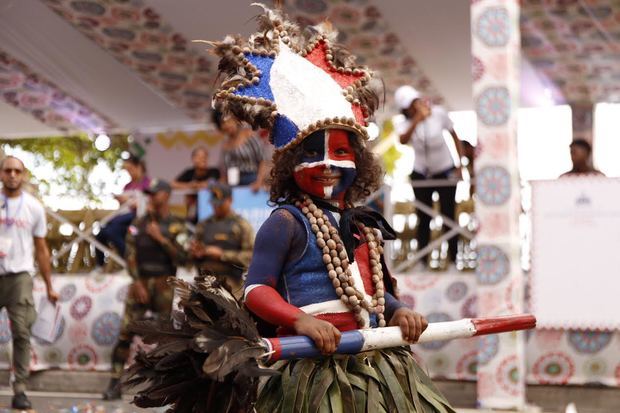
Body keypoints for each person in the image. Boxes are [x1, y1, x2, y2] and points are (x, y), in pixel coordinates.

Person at [123, 6, 455, 411]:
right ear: (288, 163)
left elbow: (374, 293)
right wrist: (300, 320)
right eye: (312, 153)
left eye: (340, 152)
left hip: (376, 365)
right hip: (311, 375)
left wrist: (402, 312)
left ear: (359, 161)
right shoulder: (285, 222)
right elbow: (256, 289)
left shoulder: (366, 224)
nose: (328, 165)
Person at [102, 179, 189, 400]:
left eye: (156, 193)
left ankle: (161, 384)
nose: (152, 197)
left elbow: (184, 258)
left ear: (167, 195)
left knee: (164, 336)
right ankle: (114, 382)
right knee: (125, 332)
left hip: (163, 284)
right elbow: (130, 256)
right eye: (150, 193)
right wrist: (137, 282)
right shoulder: (137, 224)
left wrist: (161, 238)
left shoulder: (177, 226)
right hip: (140, 283)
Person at [0, 156, 59, 410]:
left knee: (21, 333)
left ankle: (20, 389)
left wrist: (49, 285)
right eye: (8, 170)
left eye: (17, 171)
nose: (13, 174)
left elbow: (42, 248)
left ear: (23, 175)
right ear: (1, 174)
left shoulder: (34, 207)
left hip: (20, 276)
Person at [394, 85, 465, 266]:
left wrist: (460, 164)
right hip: (421, 172)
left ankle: (453, 260)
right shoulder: (403, 123)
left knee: (448, 215)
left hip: (445, 169)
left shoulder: (439, 114)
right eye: (410, 105)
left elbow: (454, 135)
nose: (415, 106)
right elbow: (403, 140)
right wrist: (417, 119)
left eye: (416, 101)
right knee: (423, 216)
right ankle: (422, 261)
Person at [189, 182, 254, 300]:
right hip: (205, 285)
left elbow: (251, 256)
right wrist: (196, 253)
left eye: (220, 204)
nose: (216, 207)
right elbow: (192, 253)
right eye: (214, 204)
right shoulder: (203, 225)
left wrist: (222, 255)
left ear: (229, 200)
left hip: (232, 286)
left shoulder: (241, 225)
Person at [96, 155, 150, 267]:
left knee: (113, 230)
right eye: (127, 170)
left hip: (138, 223)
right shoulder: (127, 186)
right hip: (124, 220)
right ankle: (100, 266)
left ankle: (130, 263)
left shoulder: (148, 184)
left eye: (130, 169)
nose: (129, 173)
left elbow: (148, 206)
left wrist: (129, 201)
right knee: (101, 233)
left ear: (139, 167)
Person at [213, 110, 270, 192]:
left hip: (252, 180)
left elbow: (263, 160)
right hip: (233, 183)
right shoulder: (225, 145)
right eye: (223, 123)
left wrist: (259, 181)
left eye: (229, 121)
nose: (227, 125)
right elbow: (224, 170)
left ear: (236, 120)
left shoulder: (249, 135)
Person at [172, 146, 221, 224]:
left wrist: (197, 185)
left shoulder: (214, 171)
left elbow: (210, 183)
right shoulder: (189, 172)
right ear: (193, 159)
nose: (203, 159)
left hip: (210, 208)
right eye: (200, 157)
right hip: (193, 209)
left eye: (205, 157)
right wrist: (190, 186)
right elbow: (173, 184)